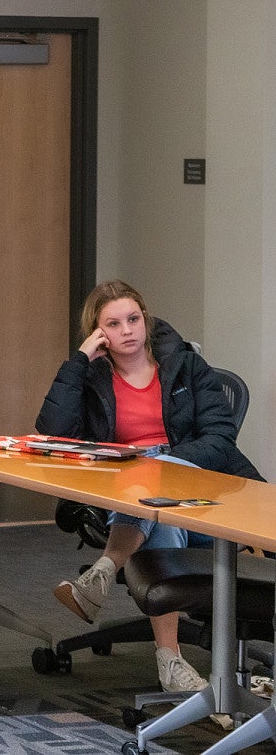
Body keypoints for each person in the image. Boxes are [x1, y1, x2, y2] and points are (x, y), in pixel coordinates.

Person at [39, 279, 262, 698]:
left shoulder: (185, 366)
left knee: (155, 493)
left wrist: (161, 463)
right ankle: (170, 660)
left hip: (195, 482)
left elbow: (219, 437)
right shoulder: (93, 378)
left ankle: (105, 570)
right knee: (160, 520)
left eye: (133, 318)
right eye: (114, 323)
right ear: (98, 332)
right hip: (124, 487)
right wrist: (79, 361)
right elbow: (55, 434)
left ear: (146, 319)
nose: (127, 330)